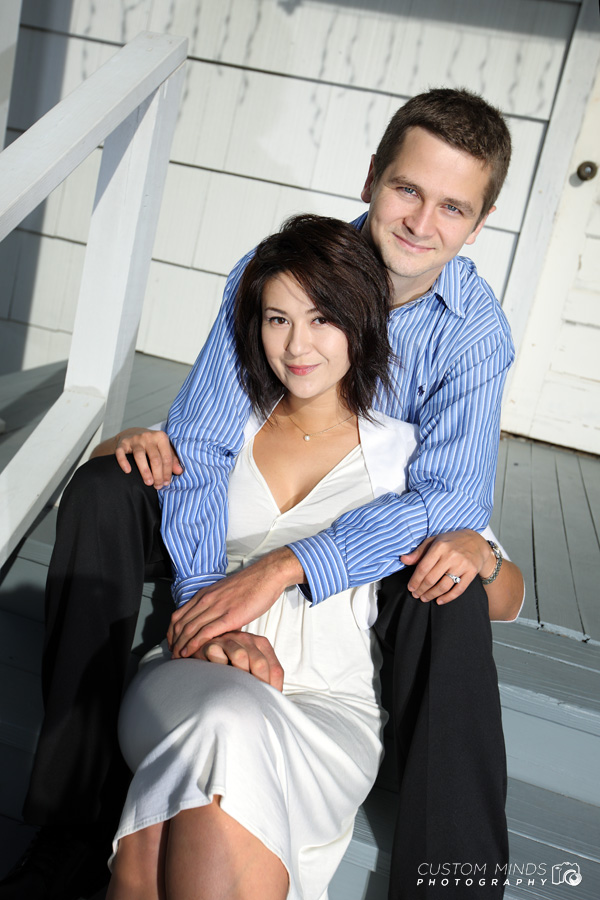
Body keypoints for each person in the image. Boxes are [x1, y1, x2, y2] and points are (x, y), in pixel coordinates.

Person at [0, 87, 516, 900]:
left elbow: (448, 499)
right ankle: (72, 812)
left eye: (453, 207)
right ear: (372, 177)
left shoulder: (472, 331)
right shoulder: (275, 269)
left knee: (450, 576)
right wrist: (210, 598)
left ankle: (455, 878)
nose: (422, 223)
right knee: (108, 485)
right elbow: (203, 440)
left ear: (479, 225)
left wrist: (284, 568)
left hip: (372, 529)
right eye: (408, 190)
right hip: (244, 495)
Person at [105, 214, 522, 900]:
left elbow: (502, 596)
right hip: (194, 673)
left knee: (155, 852)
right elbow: (132, 476)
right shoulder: (216, 431)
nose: (297, 345)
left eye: (322, 318)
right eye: (276, 319)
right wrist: (120, 445)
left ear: (361, 323)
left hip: (328, 708)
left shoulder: (407, 463)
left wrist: (478, 550)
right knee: (226, 720)